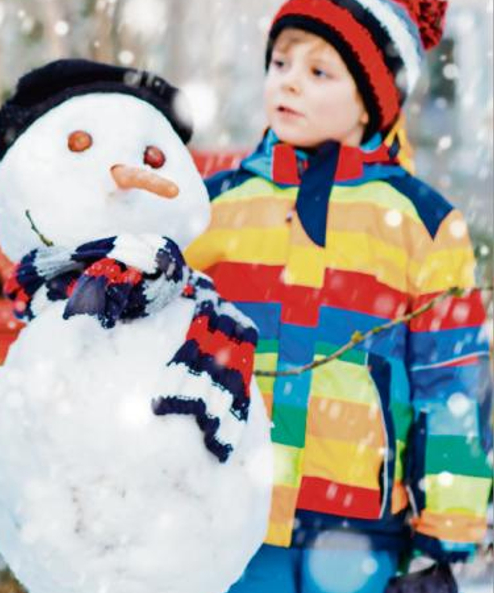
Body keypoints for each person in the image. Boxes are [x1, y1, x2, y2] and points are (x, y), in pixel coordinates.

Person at [185, 1, 492, 592]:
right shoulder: (211, 208)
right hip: (226, 518)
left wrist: (444, 543)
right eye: (280, 62)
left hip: (360, 535)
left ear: (373, 100)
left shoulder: (423, 223)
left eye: (320, 71)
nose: (289, 81)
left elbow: (452, 386)